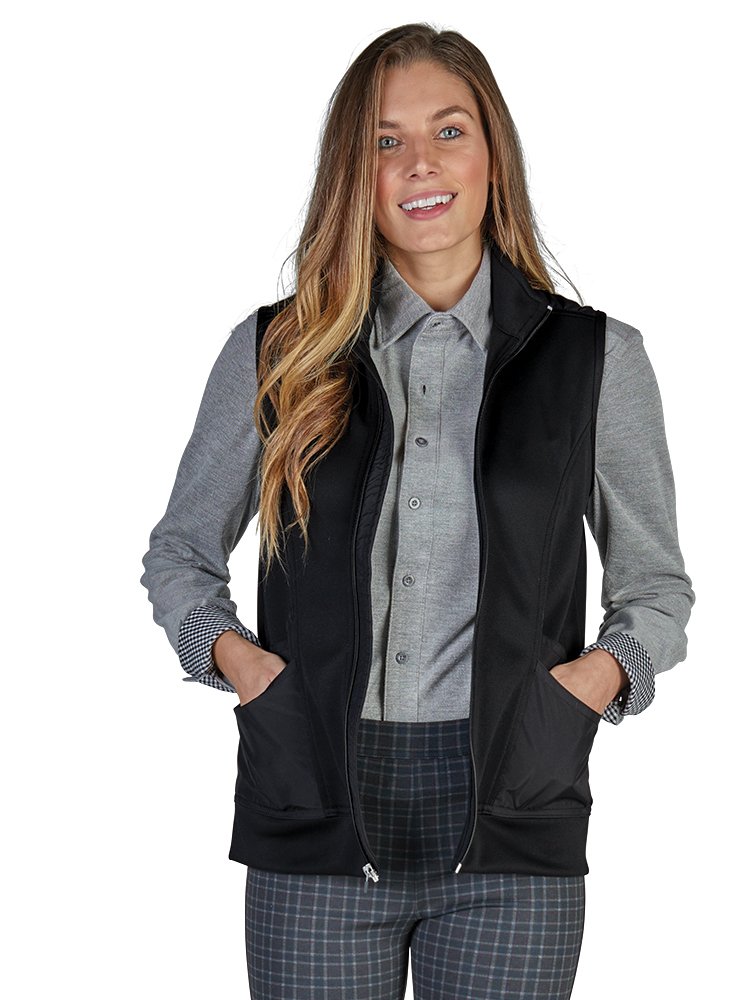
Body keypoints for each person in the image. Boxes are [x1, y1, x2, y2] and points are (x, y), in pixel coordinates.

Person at [141, 22, 694, 1000]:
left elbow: (656, 588)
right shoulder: (278, 352)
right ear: (354, 175)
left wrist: (588, 687)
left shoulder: (597, 361)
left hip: (515, 822)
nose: (419, 163)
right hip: (312, 806)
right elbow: (181, 551)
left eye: (449, 131)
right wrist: (242, 666)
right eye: (385, 141)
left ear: (493, 155)